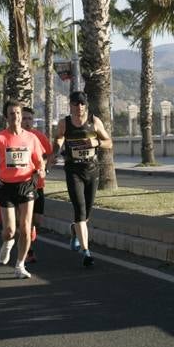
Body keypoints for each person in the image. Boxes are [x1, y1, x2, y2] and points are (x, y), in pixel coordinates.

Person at [0, 100, 46, 279]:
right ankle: (8, 241)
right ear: (6, 117)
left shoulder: (31, 138)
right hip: (6, 186)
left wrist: (39, 171)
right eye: (12, 114)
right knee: (10, 230)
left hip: (26, 184)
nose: (16, 117)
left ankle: (20, 265)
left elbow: (39, 160)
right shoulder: (0, 138)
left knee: (26, 228)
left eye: (18, 113)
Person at [53, 90, 113, 268]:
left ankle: (74, 230)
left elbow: (109, 142)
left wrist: (98, 143)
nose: (78, 107)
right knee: (79, 209)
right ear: (70, 105)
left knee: (87, 212)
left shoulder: (94, 122)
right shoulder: (65, 123)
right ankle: (86, 251)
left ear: (85, 105)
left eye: (81, 104)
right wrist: (55, 150)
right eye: (75, 104)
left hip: (92, 170)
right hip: (73, 171)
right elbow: (58, 139)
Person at [22, 106, 52, 264]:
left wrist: (45, 169)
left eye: (29, 119)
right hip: (21, 185)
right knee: (25, 220)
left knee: (37, 221)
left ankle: (30, 234)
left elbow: (49, 155)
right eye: (24, 118)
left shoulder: (39, 136)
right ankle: (28, 251)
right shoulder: (14, 137)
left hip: (38, 184)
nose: (27, 122)